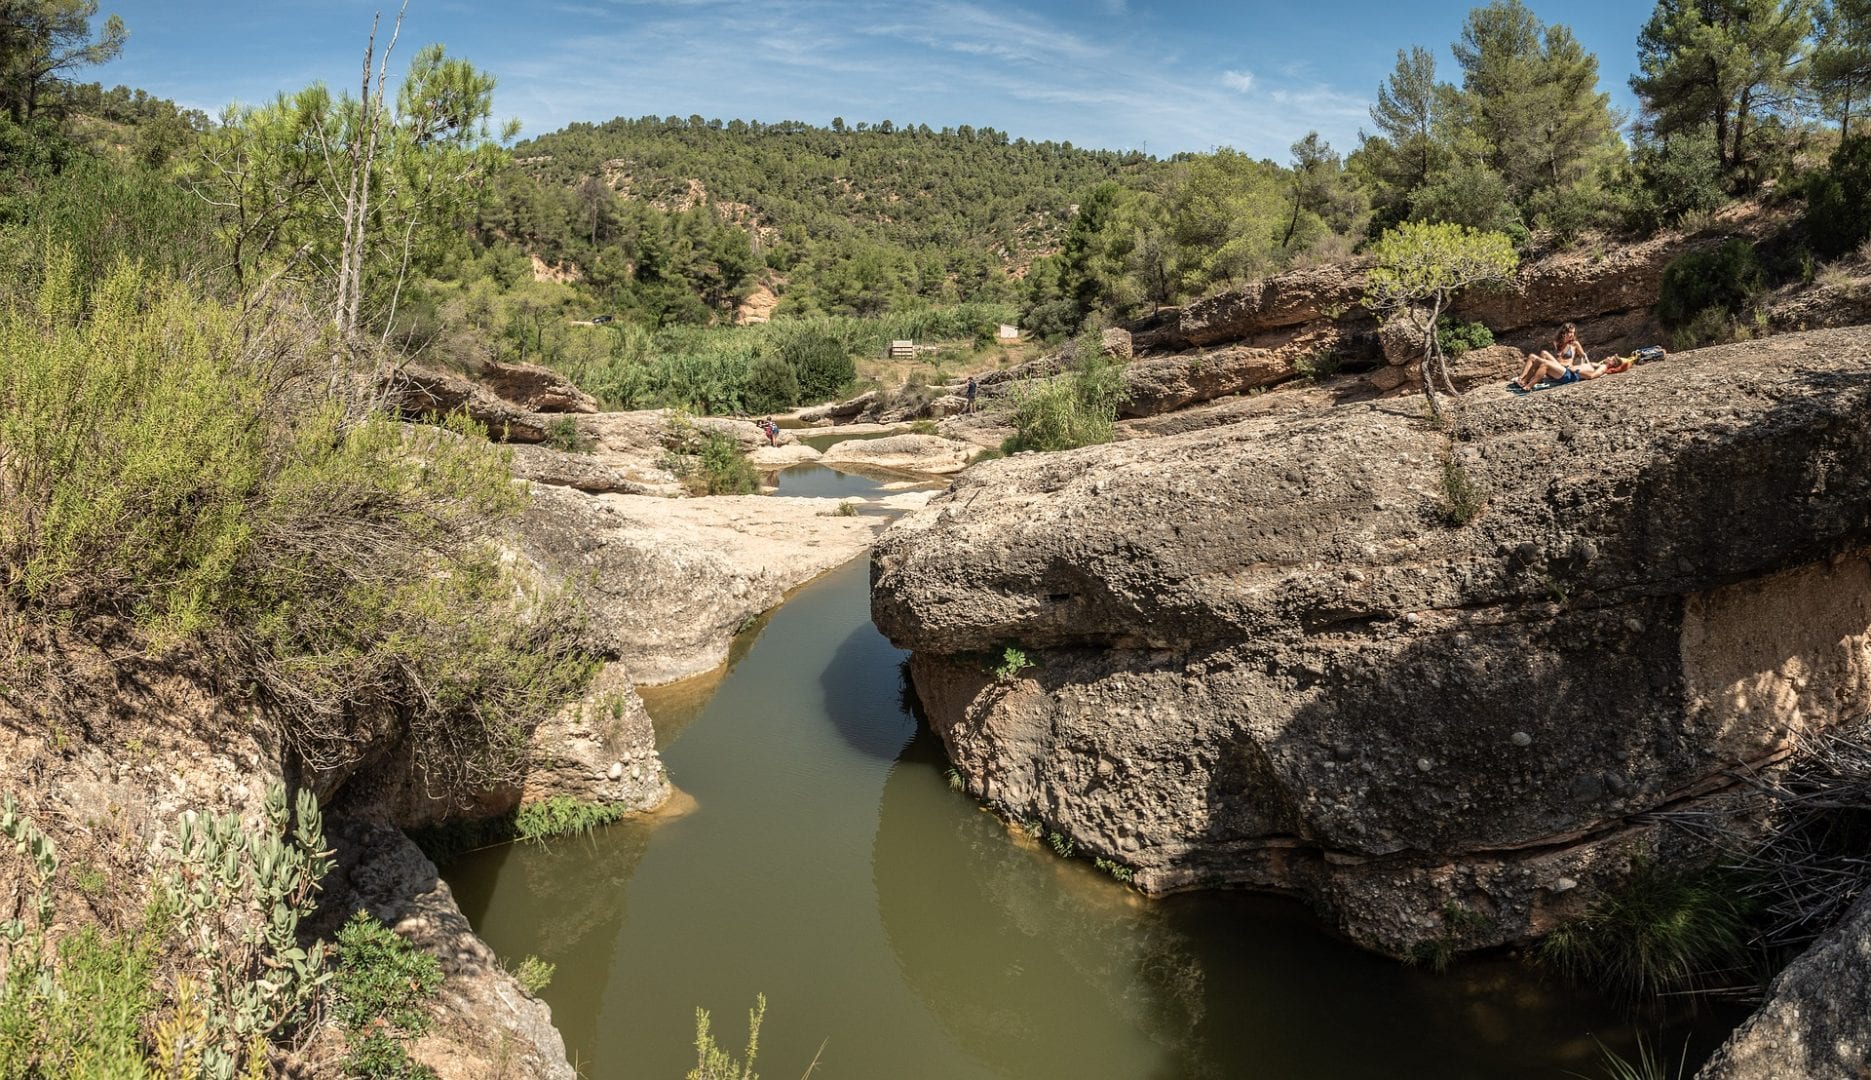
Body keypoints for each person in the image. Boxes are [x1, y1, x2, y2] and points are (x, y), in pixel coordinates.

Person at [1515, 323, 1606, 389]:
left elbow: (1583, 356)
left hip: (1565, 370)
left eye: (1573, 333)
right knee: (1535, 355)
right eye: (1570, 332)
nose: (1572, 335)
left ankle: (1531, 379)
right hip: (1557, 367)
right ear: (1564, 332)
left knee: (1543, 359)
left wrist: (1584, 368)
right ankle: (1521, 378)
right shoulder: (1557, 343)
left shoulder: (1575, 344)